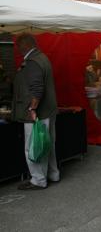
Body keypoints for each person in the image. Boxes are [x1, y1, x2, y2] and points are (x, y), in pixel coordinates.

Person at [12, 33, 60, 190]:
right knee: (48, 144)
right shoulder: (42, 57)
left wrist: (32, 109)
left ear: (24, 45)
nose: (17, 49)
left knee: (34, 147)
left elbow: (37, 89)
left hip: (37, 113)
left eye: (18, 46)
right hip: (49, 110)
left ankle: (38, 179)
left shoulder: (32, 62)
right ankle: (53, 174)